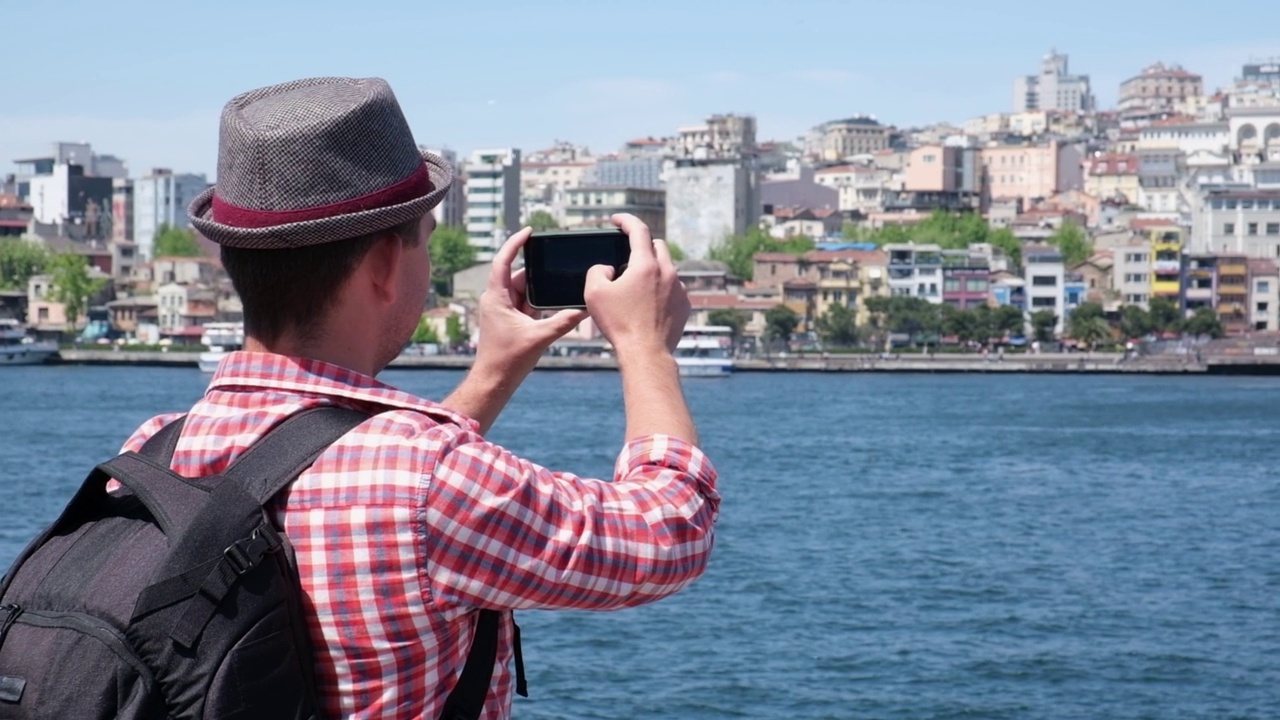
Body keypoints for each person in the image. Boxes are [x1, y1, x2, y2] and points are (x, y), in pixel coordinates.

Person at [119, 77, 720, 719]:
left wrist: (493, 370)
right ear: (383, 264)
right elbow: (667, 535)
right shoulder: (430, 479)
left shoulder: (154, 448)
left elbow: (329, 464)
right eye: (426, 240)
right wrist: (646, 347)